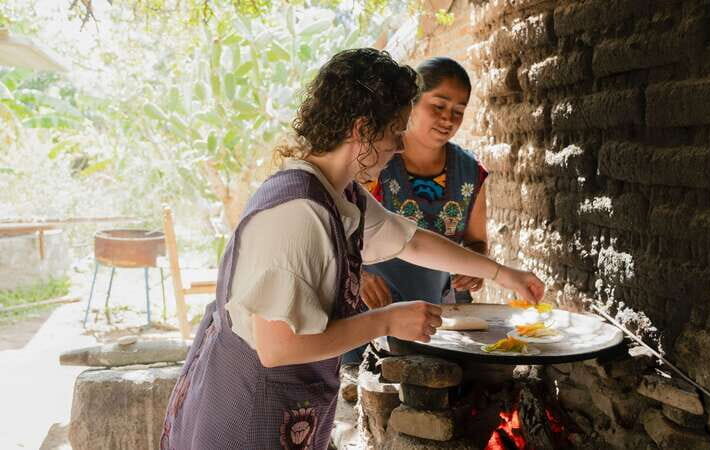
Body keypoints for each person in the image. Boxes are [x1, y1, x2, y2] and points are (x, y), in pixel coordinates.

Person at [160, 48, 544, 450]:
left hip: (282, 406)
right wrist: (388, 320)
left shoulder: (338, 195)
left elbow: (410, 239)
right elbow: (278, 347)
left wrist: (501, 273)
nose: (399, 146)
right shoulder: (298, 214)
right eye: (395, 131)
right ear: (362, 130)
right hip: (247, 412)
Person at [342, 57, 484, 365]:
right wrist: (359, 275)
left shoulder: (471, 172)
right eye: (439, 105)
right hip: (375, 307)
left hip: (443, 314)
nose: (449, 118)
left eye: (458, 111)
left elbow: (476, 242)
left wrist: (475, 269)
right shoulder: (375, 160)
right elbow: (338, 236)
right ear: (412, 104)